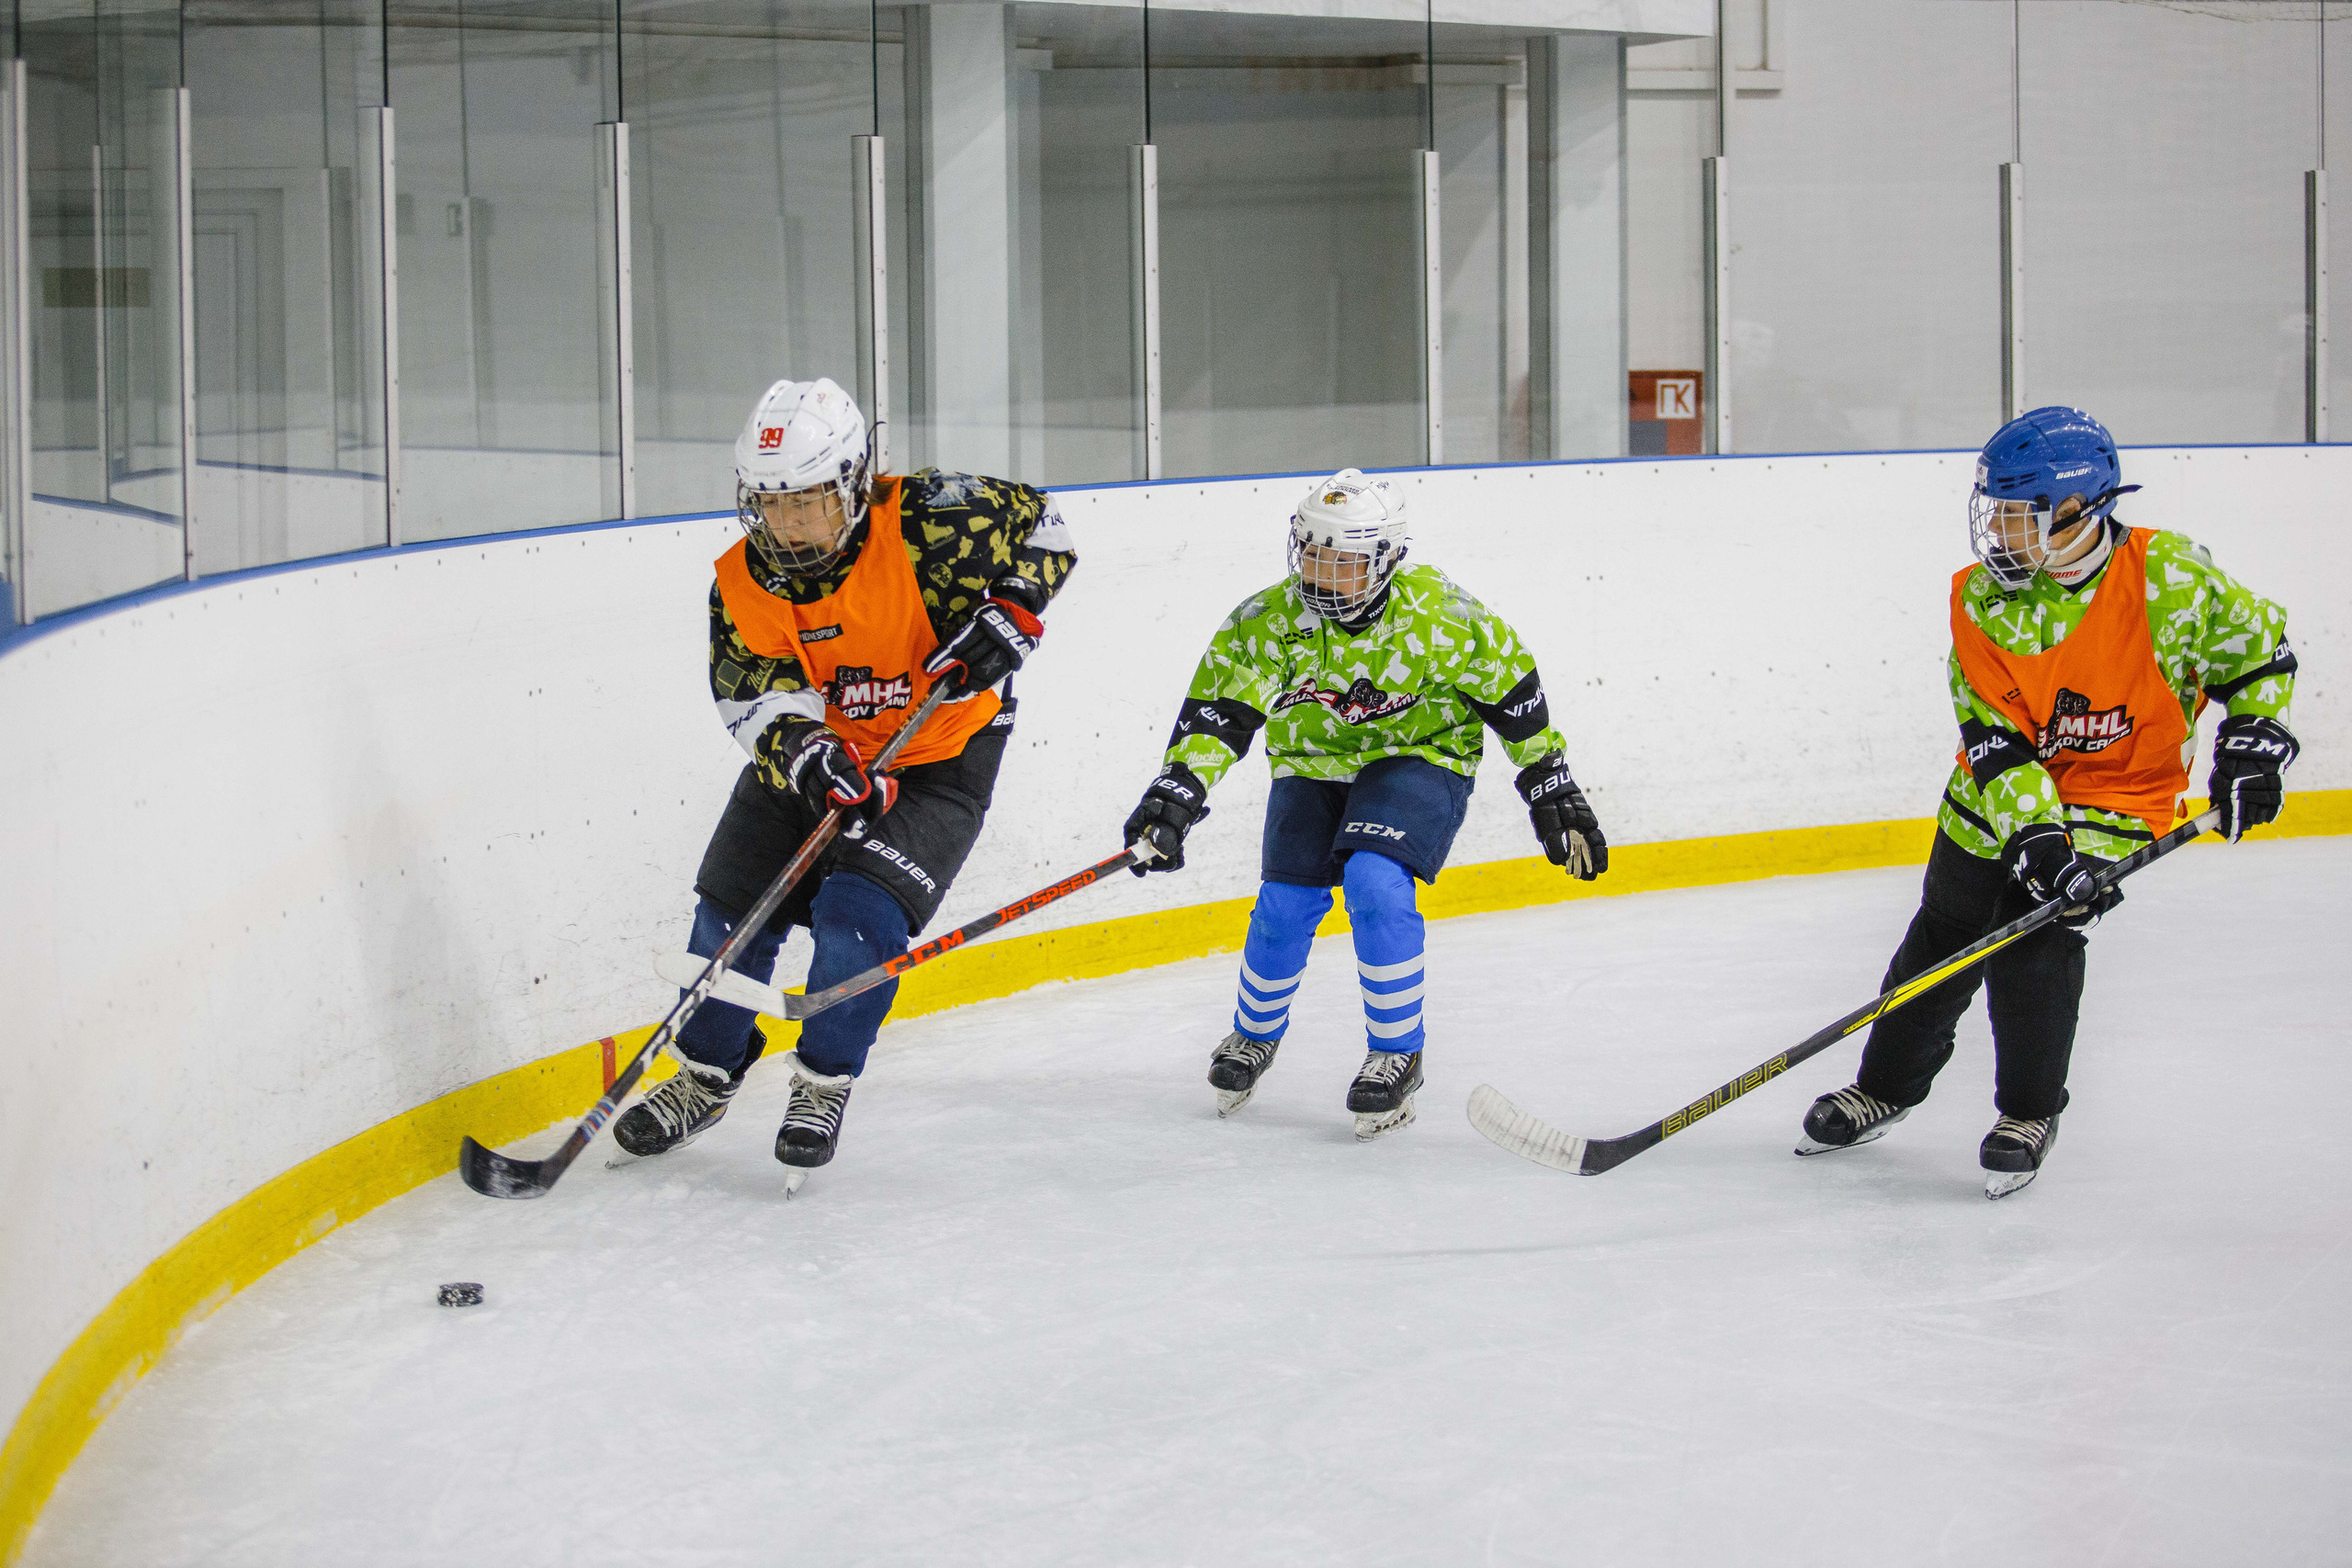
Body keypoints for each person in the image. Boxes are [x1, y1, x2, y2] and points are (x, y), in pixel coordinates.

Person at [1798, 406, 2298, 1198]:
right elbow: (1995, 737)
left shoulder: (2170, 578)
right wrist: (2034, 836)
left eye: (2017, 515)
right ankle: (1887, 1086)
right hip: (1993, 798)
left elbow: (2258, 652)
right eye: (1992, 511)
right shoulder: (1979, 601)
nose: (1998, 532)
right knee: (1944, 934)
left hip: (2117, 793)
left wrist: (2255, 740)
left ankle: (2028, 1111)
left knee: (2036, 942)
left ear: (2079, 510)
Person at [614, 377, 1077, 1189]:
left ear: (857, 483)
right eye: (769, 504)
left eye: (808, 502)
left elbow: (1046, 523)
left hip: (941, 753)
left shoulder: (937, 518)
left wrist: (1013, 611)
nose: (787, 525)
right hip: (820, 758)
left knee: (857, 922)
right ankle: (706, 1072)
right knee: (727, 912)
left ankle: (823, 1082)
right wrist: (807, 751)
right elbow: (749, 692)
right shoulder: (741, 581)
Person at [1122, 468, 1608, 1140]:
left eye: (1341, 561)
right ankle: (1253, 1035)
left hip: (1422, 753)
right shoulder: (1268, 620)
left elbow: (1511, 689)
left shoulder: (1440, 615)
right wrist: (1178, 789)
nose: (1319, 574)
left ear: (1385, 560)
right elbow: (1217, 715)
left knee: (1375, 880)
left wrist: (1548, 781)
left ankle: (1396, 1052)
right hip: (1312, 763)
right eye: (1312, 554)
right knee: (1285, 904)